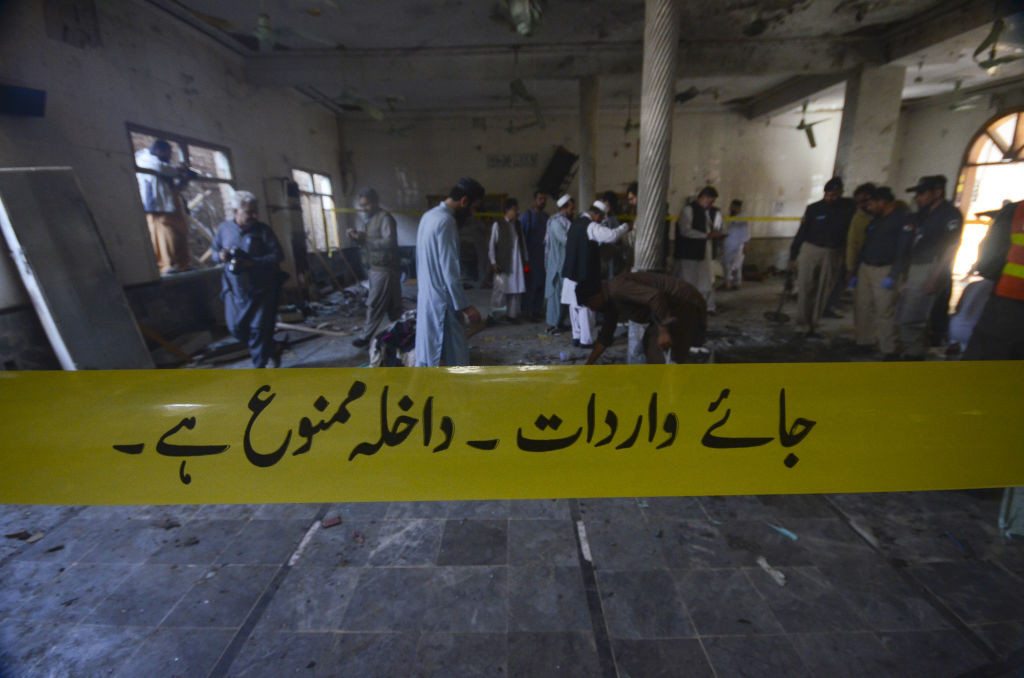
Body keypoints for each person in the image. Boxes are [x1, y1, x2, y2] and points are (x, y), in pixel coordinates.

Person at [414, 178, 485, 367]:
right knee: (456, 354)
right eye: (473, 208)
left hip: (428, 296)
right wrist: (465, 306)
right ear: (464, 201)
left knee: (431, 350)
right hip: (444, 301)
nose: (472, 214)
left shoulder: (428, 216)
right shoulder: (446, 221)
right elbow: (450, 270)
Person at [212, 191, 285, 368]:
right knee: (236, 329)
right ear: (235, 211)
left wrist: (252, 263)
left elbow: (278, 256)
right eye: (249, 212)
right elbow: (214, 252)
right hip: (234, 290)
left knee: (258, 330)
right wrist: (220, 255)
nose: (254, 216)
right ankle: (273, 347)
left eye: (255, 212)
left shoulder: (263, 230)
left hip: (261, 289)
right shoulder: (224, 229)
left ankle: (260, 370)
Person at [894, 175, 964, 359]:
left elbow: (951, 247)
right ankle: (911, 350)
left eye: (922, 194)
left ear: (938, 192)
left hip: (930, 267)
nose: (918, 198)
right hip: (916, 266)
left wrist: (934, 277)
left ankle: (913, 355)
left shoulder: (950, 214)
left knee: (912, 318)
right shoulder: (924, 213)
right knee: (905, 312)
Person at [577, 272, 706, 365]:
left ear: (595, 297)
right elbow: (605, 336)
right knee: (650, 346)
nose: (591, 309)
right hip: (667, 309)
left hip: (682, 302)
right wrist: (589, 365)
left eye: (589, 305)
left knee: (660, 353)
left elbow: (655, 297)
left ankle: (668, 390)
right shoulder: (610, 302)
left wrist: (664, 330)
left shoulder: (617, 289)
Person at [788, 177, 856, 337]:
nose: (831, 198)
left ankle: (814, 324)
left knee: (823, 290)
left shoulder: (848, 209)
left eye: (834, 195)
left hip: (833, 252)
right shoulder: (814, 209)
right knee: (806, 287)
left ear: (840, 193)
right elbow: (802, 232)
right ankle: (802, 324)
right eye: (828, 195)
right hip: (811, 249)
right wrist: (793, 255)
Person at [847, 187, 909, 358]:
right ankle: (864, 341)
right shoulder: (876, 219)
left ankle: (888, 349)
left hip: (885, 270)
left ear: (883, 202)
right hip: (866, 268)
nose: (869, 207)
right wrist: (855, 271)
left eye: (871, 203)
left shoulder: (902, 219)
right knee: (862, 307)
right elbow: (865, 245)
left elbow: (903, 250)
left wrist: (894, 275)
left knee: (884, 310)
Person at [561, 200, 630, 348]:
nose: (601, 220)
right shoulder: (591, 226)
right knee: (586, 308)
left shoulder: (575, 223)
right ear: (597, 215)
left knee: (574, 307)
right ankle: (585, 341)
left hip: (571, 272)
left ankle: (576, 337)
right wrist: (624, 227)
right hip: (584, 274)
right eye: (601, 217)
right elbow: (612, 236)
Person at [962, 200, 1024, 360]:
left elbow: (988, 260)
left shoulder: (1017, 210)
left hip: (1008, 302)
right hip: (1008, 302)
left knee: (987, 358)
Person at [347, 188, 402, 351]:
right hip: (376, 267)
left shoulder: (385, 218)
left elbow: (389, 242)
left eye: (367, 205)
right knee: (394, 307)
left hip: (384, 268)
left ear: (375, 202)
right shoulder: (369, 219)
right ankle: (401, 333)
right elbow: (368, 241)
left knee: (375, 302)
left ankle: (365, 337)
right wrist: (356, 237)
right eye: (362, 205)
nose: (364, 208)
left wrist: (365, 239)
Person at [135, 139, 195, 275]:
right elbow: (161, 169)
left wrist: (184, 178)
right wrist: (180, 170)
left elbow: (174, 186)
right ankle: (166, 267)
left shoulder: (165, 166)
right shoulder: (145, 159)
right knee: (165, 237)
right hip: (157, 208)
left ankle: (183, 265)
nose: (170, 156)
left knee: (180, 234)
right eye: (168, 153)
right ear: (159, 150)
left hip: (172, 206)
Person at [674, 186, 725, 313]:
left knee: (705, 280)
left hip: (703, 252)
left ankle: (705, 306)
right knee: (689, 280)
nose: (711, 205)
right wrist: (706, 235)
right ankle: (687, 306)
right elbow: (685, 231)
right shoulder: (688, 210)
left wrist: (713, 234)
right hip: (688, 253)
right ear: (704, 198)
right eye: (710, 201)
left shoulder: (708, 212)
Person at [488, 198, 527, 323]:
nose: (517, 212)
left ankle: (512, 315)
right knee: (499, 291)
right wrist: (493, 262)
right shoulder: (498, 225)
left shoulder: (518, 225)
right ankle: (494, 316)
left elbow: (523, 244)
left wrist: (526, 259)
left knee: (515, 290)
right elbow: (492, 245)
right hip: (503, 263)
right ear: (507, 210)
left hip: (517, 263)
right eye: (515, 210)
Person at [544, 194, 573, 334]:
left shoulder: (565, 222)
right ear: (564, 208)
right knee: (555, 296)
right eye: (571, 208)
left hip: (564, 264)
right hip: (557, 265)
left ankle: (559, 323)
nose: (573, 211)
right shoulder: (556, 223)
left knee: (563, 296)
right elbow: (566, 240)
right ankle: (552, 325)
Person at [519, 190, 549, 321]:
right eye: (540, 199)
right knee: (530, 285)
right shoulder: (527, 217)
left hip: (543, 259)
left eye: (544, 199)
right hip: (529, 258)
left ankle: (536, 311)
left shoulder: (546, 217)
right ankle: (527, 311)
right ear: (534, 200)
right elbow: (520, 237)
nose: (542, 201)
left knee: (541, 285)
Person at [720, 199, 749, 291]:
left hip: (737, 245)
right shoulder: (732, 217)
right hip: (729, 244)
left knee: (733, 265)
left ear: (737, 207)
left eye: (732, 207)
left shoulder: (742, 217)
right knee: (729, 264)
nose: (730, 208)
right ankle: (732, 282)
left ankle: (731, 283)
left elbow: (745, 232)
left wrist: (745, 245)